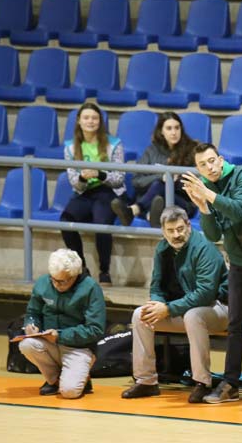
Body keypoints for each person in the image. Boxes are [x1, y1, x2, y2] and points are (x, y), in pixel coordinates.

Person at [179, 143, 242, 405]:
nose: (209, 168)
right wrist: (203, 207)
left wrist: (208, 195)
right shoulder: (206, 189)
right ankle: (231, 383)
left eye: (211, 161)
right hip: (237, 262)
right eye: (202, 165)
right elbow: (213, 234)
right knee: (235, 323)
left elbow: (239, 210)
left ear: (220, 159)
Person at [121, 206, 230, 402]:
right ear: (163, 231)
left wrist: (168, 309)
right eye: (170, 231)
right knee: (140, 315)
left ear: (188, 225)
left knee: (193, 315)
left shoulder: (204, 248)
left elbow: (205, 294)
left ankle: (202, 383)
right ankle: (146, 381)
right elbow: (156, 286)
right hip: (181, 309)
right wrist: (157, 304)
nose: (176, 235)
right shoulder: (162, 249)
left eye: (180, 229)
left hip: (218, 309)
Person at [19, 248, 105, 399]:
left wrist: (60, 335)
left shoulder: (91, 288)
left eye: (62, 281)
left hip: (79, 347)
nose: (56, 285)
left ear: (75, 275)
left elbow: (95, 329)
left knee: (70, 392)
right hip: (49, 342)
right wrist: (31, 324)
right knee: (27, 345)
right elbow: (32, 312)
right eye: (53, 279)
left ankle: (81, 377)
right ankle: (54, 380)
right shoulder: (43, 283)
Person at [60, 103, 124, 286]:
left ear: (100, 121)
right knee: (65, 221)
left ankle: (104, 271)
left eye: (95, 118)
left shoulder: (114, 144)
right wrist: (82, 177)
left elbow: (119, 179)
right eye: (86, 117)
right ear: (79, 121)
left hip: (107, 191)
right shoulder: (70, 147)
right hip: (84, 192)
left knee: (101, 224)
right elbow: (74, 182)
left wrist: (100, 174)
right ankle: (81, 268)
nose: (90, 121)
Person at [111, 111, 197, 229]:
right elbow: (136, 181)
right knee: (158, 191)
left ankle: (135, 210)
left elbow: (195, 184)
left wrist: (175, 181)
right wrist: (160, 177)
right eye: (169, 128)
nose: (174, 132)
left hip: (181, 202)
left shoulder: (191, 150)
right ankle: (152, 215)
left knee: (161, 185)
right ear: (161, 131)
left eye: (177, 128)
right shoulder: (151, 150)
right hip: (153, 199)